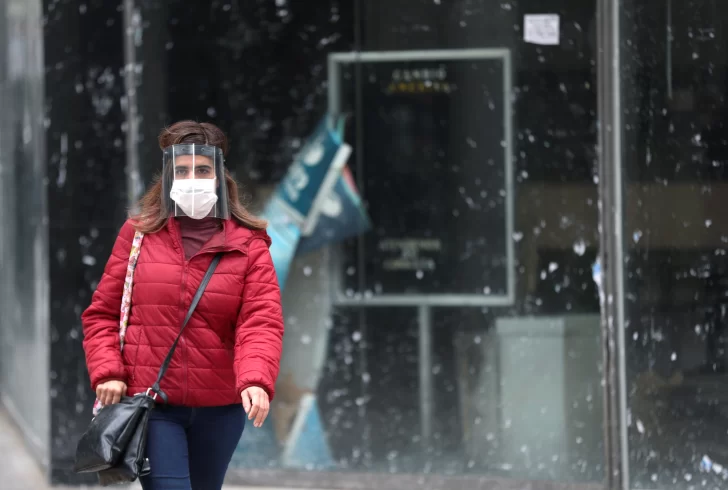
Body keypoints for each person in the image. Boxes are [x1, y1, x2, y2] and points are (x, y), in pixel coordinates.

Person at [81, 120, 284, 490]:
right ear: (169, 176)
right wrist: (108, 370)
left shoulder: (249, 243)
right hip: (154, 405)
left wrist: (255, 379)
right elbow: (103, 314)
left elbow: (260, 321)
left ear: (220, 176)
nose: (193, 179)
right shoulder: (138, 235)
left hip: (220, 409)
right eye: (183, 170)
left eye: (203, 170)